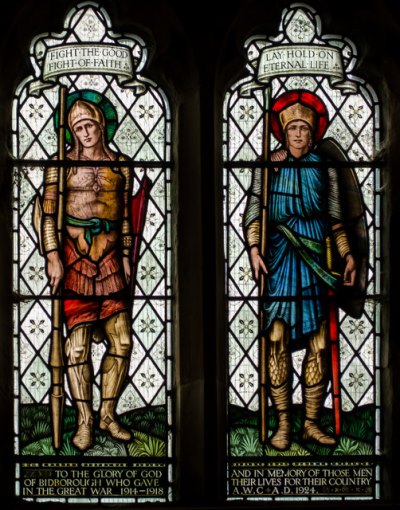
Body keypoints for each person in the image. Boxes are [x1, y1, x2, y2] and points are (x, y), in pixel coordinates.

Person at [243, 90, 357, 451]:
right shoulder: (269, 166)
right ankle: (282, 425)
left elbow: (336, 221)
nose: (297, 134)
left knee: (319, 344)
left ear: (313, 134)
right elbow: (253, 212)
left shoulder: (325, 171)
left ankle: (310, 423)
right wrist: (254, 249)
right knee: (275, 339)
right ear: (282, 131)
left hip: (316, 261)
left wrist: (348, 256)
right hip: (279, 259)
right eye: (291, 128)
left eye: (303, 129)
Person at [41, 98, 134, 451]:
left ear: (101, 125)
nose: (85, 133)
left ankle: (108, 413)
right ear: (71, 131)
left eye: (90, 125)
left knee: (122, 340)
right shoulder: (60, 164)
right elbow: (49, 214)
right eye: (78, 128)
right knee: (77, 346)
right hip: (75, 259)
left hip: (110, 260)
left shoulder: (119, 164)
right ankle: (84, 421)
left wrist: (125, 253)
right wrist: (52, 254)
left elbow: (125, 216)